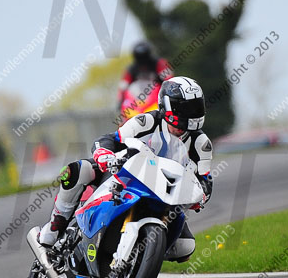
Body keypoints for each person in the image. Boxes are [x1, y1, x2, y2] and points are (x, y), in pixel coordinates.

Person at [39, 76, 213, 262]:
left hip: (166, 197)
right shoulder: (147, 121)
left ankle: (140, 259)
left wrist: (200, 196)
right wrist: (105, 154)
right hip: (126, 175)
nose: (190, 115)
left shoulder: (201, 143)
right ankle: (55, 227)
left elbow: (204, 180)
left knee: (185, 246)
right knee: (75, 171)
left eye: (195, 108)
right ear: (167, 105)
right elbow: (111, 139)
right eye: (184, 108)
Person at [117, 41, 174, 107]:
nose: (143, 61)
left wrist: (170, 94)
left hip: (159, 99)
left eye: (144, 57)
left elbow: (169, 80)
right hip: (138, 101)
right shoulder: (131, 69)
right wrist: (120, 101)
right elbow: (123, 86)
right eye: (140, 58)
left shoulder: (159, 63)